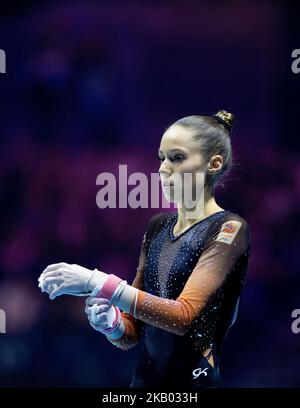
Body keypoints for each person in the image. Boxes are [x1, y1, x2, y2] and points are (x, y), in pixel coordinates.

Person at [38, 110, 251, 388]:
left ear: (213, 164)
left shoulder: (229, 228)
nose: (163, 169)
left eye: (177, 158)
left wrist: (96, 280)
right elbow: (133, 331)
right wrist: (110, 323)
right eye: (162, 158)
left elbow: (184, 317)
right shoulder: (158, 227)